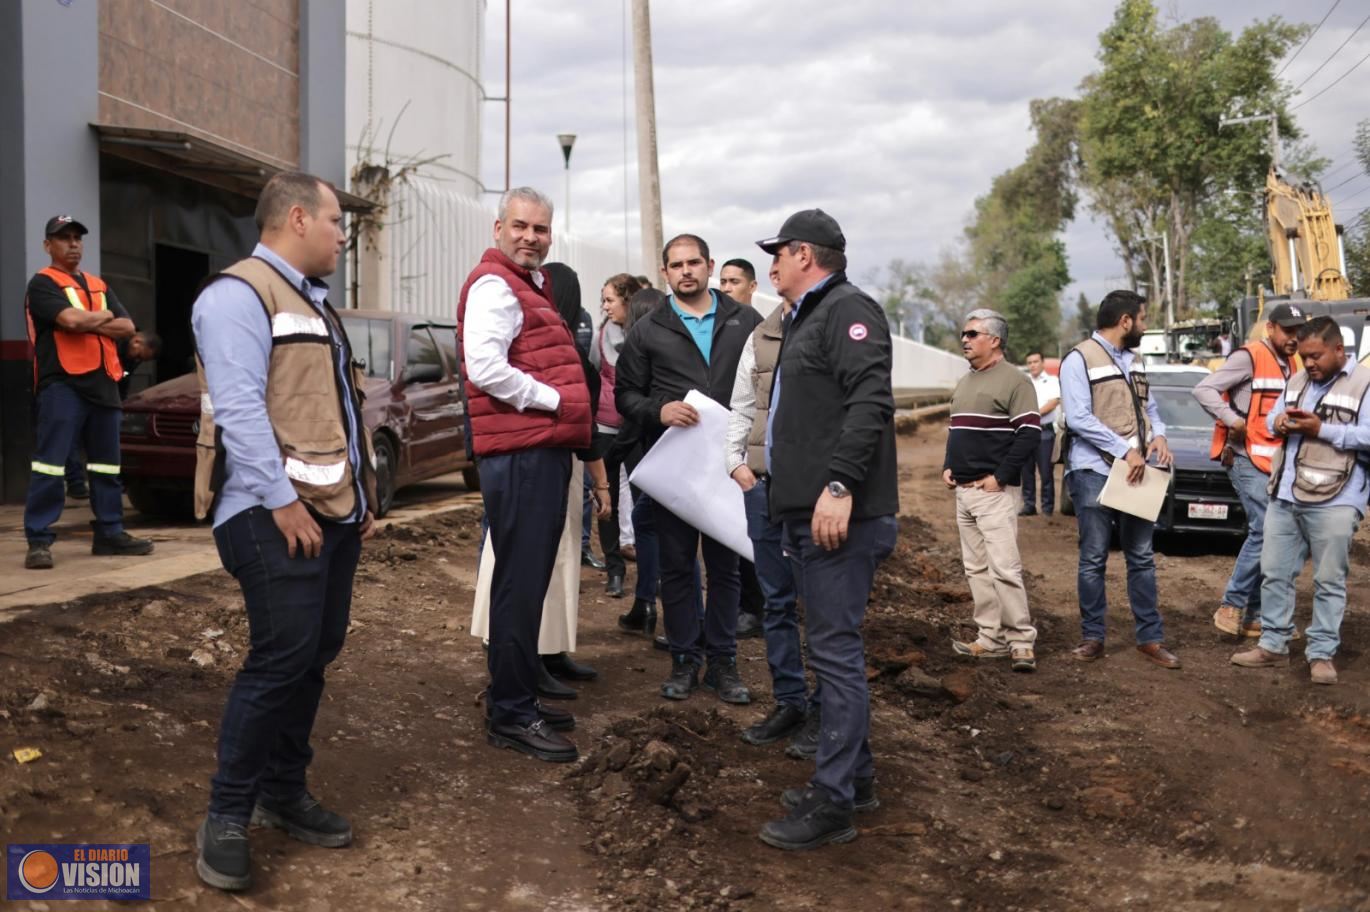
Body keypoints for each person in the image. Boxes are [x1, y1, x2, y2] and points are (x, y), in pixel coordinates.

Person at [190, 172, 377, 891]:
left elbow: (334, 407)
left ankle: (282, 791)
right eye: (336, 222)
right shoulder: (237, 295)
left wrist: (362, 496)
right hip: (269, 514)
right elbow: (238, 407)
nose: (342, 234)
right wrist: (280, 500)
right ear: (297, 218)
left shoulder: (315, 304)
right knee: (281, 656)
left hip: (329, 515)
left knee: (313, 653)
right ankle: (228, 814)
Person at [754, 209, 898, 851]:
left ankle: (835, 803)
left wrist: (839, 485)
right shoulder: (805, 317)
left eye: (778, 253)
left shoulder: (847, 310)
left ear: (806, 254)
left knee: (836, 656)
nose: (771, 265)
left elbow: (871, 400)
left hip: (838, 515)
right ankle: (854, 779)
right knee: (831, 650)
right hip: (805, 513)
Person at [458, 187, 596, 764]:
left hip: (530, 450)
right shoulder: (496, 285)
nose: (530, 237)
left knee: (523, 580)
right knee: (519, 582)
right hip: (521, 452)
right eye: (520, 226)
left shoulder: (528, 284)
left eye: (540, 229)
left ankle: (510, 693)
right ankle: (513, 714)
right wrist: (556, 401)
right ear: (498, 228)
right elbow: (485, 366)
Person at [616, 234, 761, 704]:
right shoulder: (648, 330)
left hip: (730, 466)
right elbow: (626, 397)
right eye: (676, 265)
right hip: (676, 467)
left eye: (694, 262)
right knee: (677, 569)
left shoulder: (745, 322)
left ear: (710, 266)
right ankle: (684, 661)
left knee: (727, 569)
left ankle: (723, 663)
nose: (686, 271)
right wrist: (660, 411)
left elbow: (768, 387)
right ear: (664, 272)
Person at [1232, 316, 1370, 686]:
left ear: (1339, 349)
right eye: (1304, 357)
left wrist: (1320, 429)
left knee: (1328, 580)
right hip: (1286, 492)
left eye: (1316, 356)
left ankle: (1322, 654)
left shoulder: (1364, 383)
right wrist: (1278, 423)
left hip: (1337, 498)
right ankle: (1273, 645)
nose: (1308, 363)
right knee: (1274, 573)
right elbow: (1275, 414)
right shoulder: (1297, 380)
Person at [23, 214, 154, 570]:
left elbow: (127, 327)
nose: (73, 244)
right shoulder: (42, 284)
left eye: (77, 238)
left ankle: (110, 533)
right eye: (64, 238)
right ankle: (38, 539)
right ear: (48, 245)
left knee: (107, 466)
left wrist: (91, 321)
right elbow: (69, 320)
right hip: (62, 384)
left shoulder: (97, 285)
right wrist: (102, 319)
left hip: (103, 384)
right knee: (50, 466)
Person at [1058, 290, 1180, 669]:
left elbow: (1148, 406)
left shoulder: (1136, 359)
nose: (1144, 326)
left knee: (1141, 556)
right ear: (1125, 321)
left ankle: (1150, 638)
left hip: (1136, 470)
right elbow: (1078, 418)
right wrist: (1123, 450)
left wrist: (1157, 433)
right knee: (1094, 557)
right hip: (1094, 470)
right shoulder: (1078, 360)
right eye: (1142, 319)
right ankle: (1093, 636)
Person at [726, 264, 817, 748]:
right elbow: (743, 402)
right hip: (760, 487)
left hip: (807, 491)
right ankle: (789, 703)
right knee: (777, 602)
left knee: (820, 606)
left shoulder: (827, 329)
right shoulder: (762, 334)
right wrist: (734, 465)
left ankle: (825, 710)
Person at [1193, 304, 1306, 638]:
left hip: (1274, 460)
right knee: (1266, 528)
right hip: (1243, 455)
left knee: (1276, 532)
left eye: (1298, 331)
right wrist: (1233, 420)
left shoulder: (1294, 361)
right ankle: (1232, 604)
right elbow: (1203, 389)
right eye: (1288, 331)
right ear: (1270, 328)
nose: (1294, 338)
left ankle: (1257, 615)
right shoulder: (1249, 356)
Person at [943, 309, 1040, 672]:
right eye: (964, 334)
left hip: (993, 493)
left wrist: (1000, 477)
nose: (965, 339)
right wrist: (948, 466)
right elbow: (957, 431)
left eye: (972, 334)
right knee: (976, 570)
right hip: (964, 492)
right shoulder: (966, 381)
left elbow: (1029, 434)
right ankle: (991, 638)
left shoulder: (1014, 382)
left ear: (995, 340)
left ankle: (1020, 642)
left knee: (1005, 569)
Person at [593, 272, 645, 598]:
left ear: (628, 300)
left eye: (610, 299)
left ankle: (648, 574)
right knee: (605, 500)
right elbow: (592, 376)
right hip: (604, 428)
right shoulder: (600, 337)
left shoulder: (647, 336)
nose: (606, 306)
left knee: (644, 501)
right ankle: (614, 569)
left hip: (637, 428)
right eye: (604, 300)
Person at [1019, 350, 1060, 516]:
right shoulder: (1024, 382)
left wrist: (1033, 413)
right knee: (1026, 471)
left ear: (1042, 363)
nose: (1033, 365)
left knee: (1046, 472)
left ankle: (1047, 507)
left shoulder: (1051, 381)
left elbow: (1053, 402)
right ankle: (1029, 505)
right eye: (1029, 362)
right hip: (1026, 432)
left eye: (1036, 361)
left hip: (1045, 432)